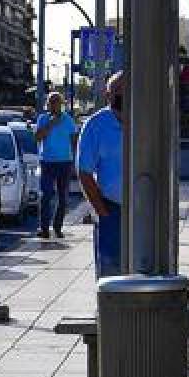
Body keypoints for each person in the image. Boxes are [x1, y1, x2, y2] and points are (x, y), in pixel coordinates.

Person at [77, 72, 125, 278]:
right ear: (108, 95)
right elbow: (84, 172)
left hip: (145, 210)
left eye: (126, 91)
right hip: (111, 209)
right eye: (116, 91)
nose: (121, 96)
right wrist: (102, 212)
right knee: (110, 275)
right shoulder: (96, 125)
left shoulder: (148, 121)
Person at [34, 91, 79, 240]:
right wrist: (50, 124)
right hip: (47, 162)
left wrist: (74, 162)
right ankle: (44, 228)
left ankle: (58, 227)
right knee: (46, 195)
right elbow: (38, 137)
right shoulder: (43, 119)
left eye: (56, 101)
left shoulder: (68, 120)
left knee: (62, 197)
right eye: (51, 101)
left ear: (61, 104)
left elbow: (74, 141)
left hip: (64, 163)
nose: (53, 104)